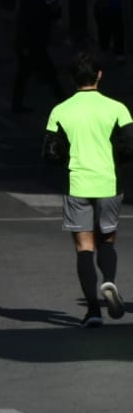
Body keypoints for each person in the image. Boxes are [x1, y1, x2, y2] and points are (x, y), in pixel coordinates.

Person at [43, 53, 133, 326]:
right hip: (108, 181)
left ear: (72, 78)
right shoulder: (117, 108)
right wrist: (114, 160)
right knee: (107, 239)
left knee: (84, 246)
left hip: (77, 183)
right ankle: (108, 281)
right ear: (100, 75)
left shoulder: (60, 110)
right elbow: (129, 145)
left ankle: (92, 311)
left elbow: (51, 152)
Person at [13, 0, 66, 112]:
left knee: (40, 73)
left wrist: (55, 10)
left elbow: (46, 17)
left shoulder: (39, 1)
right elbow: (24, 24)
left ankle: (60, 97)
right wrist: (24, 45)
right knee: (36, 73)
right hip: (31, 45)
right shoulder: (30, 2)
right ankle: (61, 97)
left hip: (36, 44)